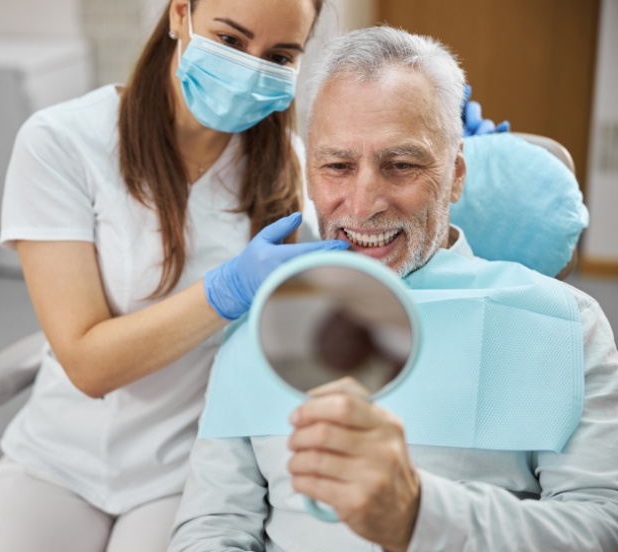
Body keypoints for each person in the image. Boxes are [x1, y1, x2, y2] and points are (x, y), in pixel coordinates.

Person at [168, 25, 618, 551]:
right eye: (337, 166)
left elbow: (602, 527)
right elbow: (213, 525)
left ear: (455, 175)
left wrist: (420, 515)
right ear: (309, 173)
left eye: (400, 165)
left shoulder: (563, 324)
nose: (362, 205)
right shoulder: (260, 321)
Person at [0, 1, 348, 551]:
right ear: (180, 14)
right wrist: (225, 290)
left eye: (279, 56)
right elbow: (89, 364)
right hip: (58, 457)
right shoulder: (63, 143)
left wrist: (456, 158)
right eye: (231, 41)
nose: (252, 68)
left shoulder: (289, 167)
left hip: (188, 468)